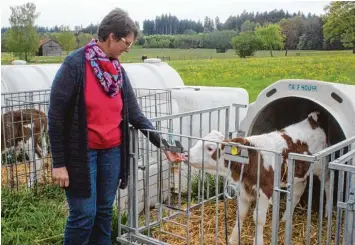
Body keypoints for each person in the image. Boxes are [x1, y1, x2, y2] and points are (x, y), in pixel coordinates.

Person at [48, 8, 184, 245]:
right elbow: (56, 117)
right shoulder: (75, 65)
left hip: (112, 151)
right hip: (82, 154)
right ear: (112, 37)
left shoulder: (117, 71)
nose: (128, 49)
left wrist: (163, 144)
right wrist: (58, 163)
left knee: (103, 212)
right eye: (126, 43)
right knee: (83, 215)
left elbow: (136, 115)